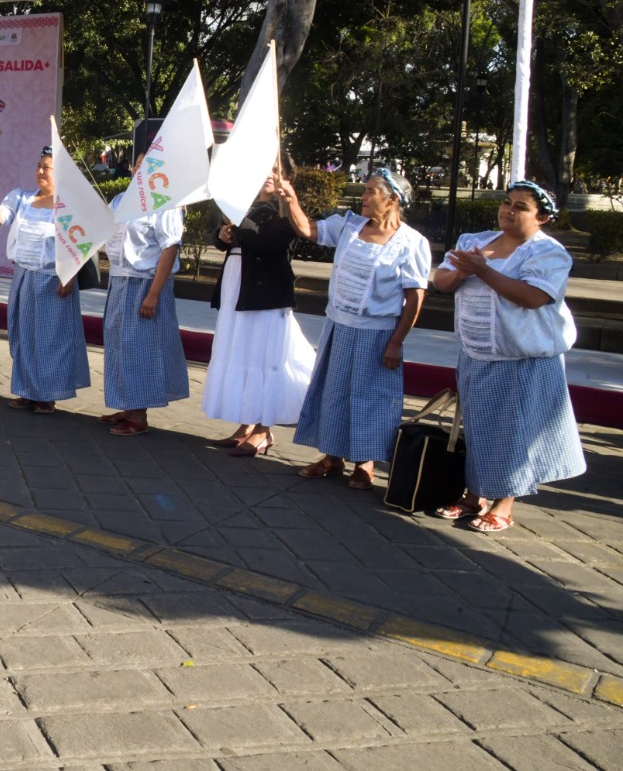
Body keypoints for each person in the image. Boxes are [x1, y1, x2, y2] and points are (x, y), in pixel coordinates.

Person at [431, 181, 586, 532]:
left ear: (542, 217)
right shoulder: (476, 240)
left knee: (513, 430)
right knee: (479, 426)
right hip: (477, 352)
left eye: (520, 206)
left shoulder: (547, 252)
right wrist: (462, 270)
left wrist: (483, 271)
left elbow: (533, 297)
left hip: (522, 357)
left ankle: (505, 502)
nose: (508, 210)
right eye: (506, 202)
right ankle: (474, 496)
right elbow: (442, 281)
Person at [283, 168, 431, 489]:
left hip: (377, 333)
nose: (363, 197)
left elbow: (415, 297)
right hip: (340, 325)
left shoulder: (411, 243)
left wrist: (396, 342)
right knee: (333, 391)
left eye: (371, 192)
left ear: (392, 200)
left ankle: (365, 463)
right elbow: (309, 229)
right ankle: (332, 457)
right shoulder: (349, 225)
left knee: (369, 397)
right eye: (364, 191)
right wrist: (291, 199)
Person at [202, 168, 315, 457]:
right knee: (241, 352)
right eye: (265, 169)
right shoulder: (246, 205)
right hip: (237, 289)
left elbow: (269, 242)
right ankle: (246, 424)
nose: (269, 175)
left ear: (287, 177)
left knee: (265, 358)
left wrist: (238, 225)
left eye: (276, 170)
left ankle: (264, 429)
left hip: (265, 293)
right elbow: (221, 240)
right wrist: (223, 234)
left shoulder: (285, 211)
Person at [0, 147, 91, 414]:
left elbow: (80, 243)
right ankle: (26, 390)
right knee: (22, 334)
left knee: (49, 338)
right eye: (39, 165)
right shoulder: (22, 197)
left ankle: (46, 395)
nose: (40, 171)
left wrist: (69, 275)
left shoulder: (69, 204)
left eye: (47, 167)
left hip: (52, 279)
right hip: (23, 275)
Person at [101, 126, 189, 436]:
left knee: (140, 348)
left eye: (149, 165)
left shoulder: (164, 203)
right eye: (139, 164)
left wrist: (153, 294)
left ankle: (139, 416)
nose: (141, 169)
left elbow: (169, 249)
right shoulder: (121, 200)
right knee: (118, 345)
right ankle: (126, 404)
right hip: (120, 281)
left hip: (144, 284)